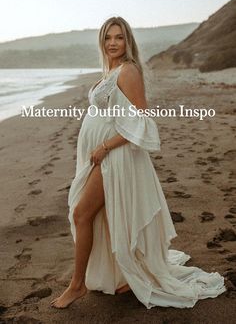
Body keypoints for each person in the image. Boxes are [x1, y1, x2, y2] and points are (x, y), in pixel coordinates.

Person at [51, 16, 226, 309]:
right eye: (108, 37)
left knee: (82, 214)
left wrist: (105, 146)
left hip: (114, 159)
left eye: (119, 37)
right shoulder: (112, 71)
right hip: (101, 156)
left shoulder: (129, 71)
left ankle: (77, 285)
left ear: (127, 40)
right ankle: (120, 276)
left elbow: (142, 121)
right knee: (102, 216)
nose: (113, 43)